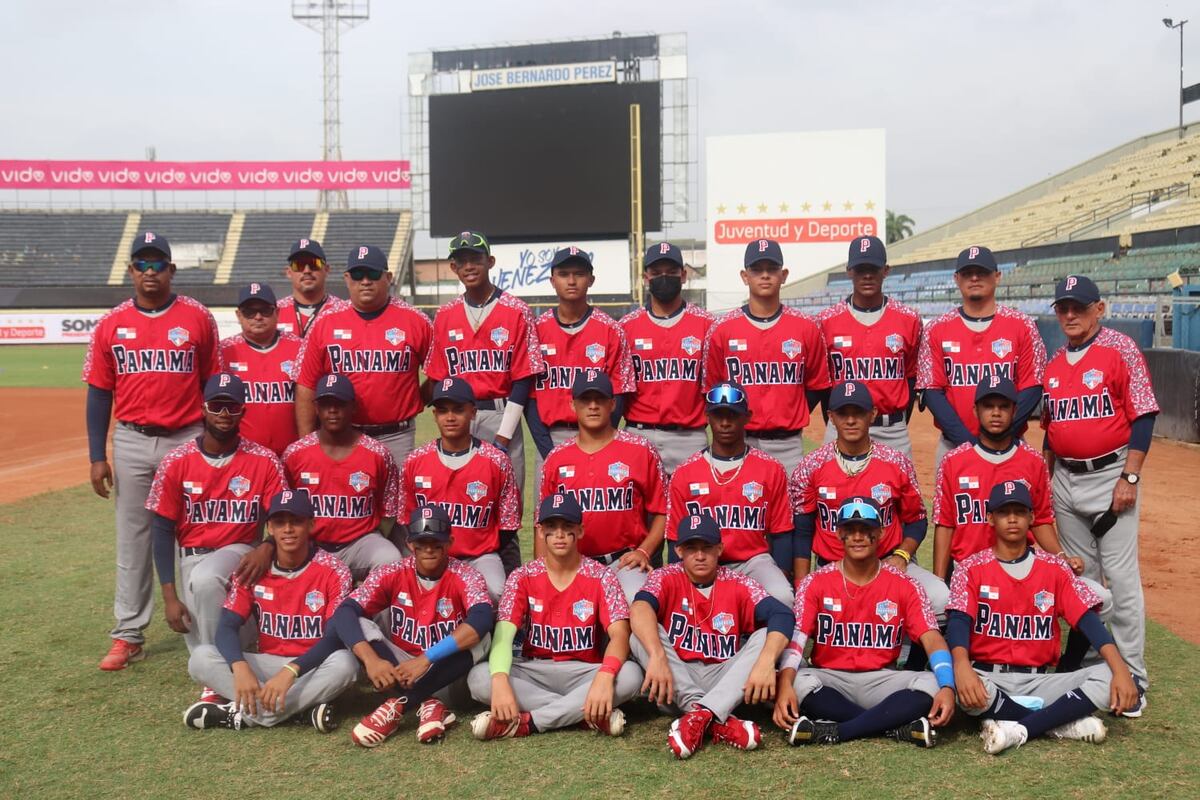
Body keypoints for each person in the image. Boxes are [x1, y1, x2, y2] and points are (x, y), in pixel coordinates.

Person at [84, 230, 220, 670]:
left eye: (157, 263)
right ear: (130, 271)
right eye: (141, 264)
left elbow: (212, 385)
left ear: (171, 270)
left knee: (194, 535)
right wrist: (96, 454)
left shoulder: (197, 317)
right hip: (131, 439)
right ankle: (128, 633)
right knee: (134, 538)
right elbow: (100, 393)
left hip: (186, 437)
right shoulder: (111, 323)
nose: (149, 271)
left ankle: (202, 628)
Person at [948, 480, 1140, 754]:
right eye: (1004, 512)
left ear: (1031, 517)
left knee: (1110, 672)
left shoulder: (1054, 569)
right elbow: (958, 623)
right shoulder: (970, 567)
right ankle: (1057, 722)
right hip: (987, 678)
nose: (1012, 519)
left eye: (1019, 511)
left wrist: (1121, 669)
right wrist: (962, 666)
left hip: (1039, 681)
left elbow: (1088, 621)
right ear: (990, 518)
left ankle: (1016, 725)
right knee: (950, 678)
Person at [1041, 274, 1158, 705]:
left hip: (1111, 475)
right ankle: (1096, 669)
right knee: (1083, 583)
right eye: (1063, 307)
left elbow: (1143, 415)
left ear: (1099, 309)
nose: (1070, 314)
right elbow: (1051, 430)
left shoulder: (1119, 349)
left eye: (1079, 306)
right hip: (1065, 480)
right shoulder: (1054, 363)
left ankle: (1135, 679)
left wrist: (1130, 477)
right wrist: (1046, 476)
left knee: (1122, 583)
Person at [774, 497, 957, 748]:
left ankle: (838, 730)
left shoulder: (905, 584)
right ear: (839, 533)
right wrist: (784, 685)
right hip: (831, 678)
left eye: (866, 530)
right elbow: (797, 641)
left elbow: (933, 639)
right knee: (793, 680)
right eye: (850, 530)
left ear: (880, 532)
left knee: (934, 682)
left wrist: (947, 685)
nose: (858, 537)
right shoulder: (816, 582)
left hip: (883, 680)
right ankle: (895, 726)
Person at [467, 493, 644, 739]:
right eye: (552, 527)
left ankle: (529, 723)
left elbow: (620, 635)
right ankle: (586, 715)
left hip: (584, 672)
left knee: (630, 676)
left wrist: (604, 676)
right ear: (540, 531)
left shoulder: (601, 575)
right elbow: (504, 635)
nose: (559, 534)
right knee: (479, 678)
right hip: (534, 670)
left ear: (580, 531)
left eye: (567, 527)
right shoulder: (522, 576)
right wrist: (498, 679)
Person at [184, 488, 357, 731]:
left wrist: (290, 672)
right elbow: (226, 626)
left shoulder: (334, 570)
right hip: (267, 664)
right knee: (201, 658)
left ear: (311, 525)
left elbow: (334, 637)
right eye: (280, 522)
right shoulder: (254, 569)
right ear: (270, 528)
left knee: (346, 663)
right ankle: (300, 711)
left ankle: (247, 715)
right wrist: (239, 666)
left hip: (310, 666)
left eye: (296, 522)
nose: (288, 529)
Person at [146, 374, 287, 666]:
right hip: (192, 560)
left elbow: (283, 517)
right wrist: (170, 597)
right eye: (217, 406)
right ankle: (228, 668)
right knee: (201, 653)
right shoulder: (176, 461)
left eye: (232, 407)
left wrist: (268, 545)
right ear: (203, 408)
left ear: (243, 411)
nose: (224, 414)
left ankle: (222, 675)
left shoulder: (263, 459)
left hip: (242, 553)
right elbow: (161, 530)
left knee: (208, 581)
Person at [423, 231, 543, 572]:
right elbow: (438, 376)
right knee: (460, 503)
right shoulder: (445, 315)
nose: (469, 266)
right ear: (453, 267)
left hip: (500, 413)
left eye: (476, 259)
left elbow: (523, 376)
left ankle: (508, 595)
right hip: (458, 416)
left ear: (489, 262)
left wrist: (504, 435)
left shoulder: (516, 309)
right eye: (461, 261)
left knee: (505, 511)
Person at [630, 514, 794, 759]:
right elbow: (640, 607)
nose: (699, 555)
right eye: (691, 549)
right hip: (677, 678)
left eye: (707, 547)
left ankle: (700, 716)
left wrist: (766, 662)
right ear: (679, 550)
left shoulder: (738, 582)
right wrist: (656, 656)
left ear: (719, 549)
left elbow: (782, 615)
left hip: (724, 677)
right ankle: (717, 716)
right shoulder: (665, 576)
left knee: (763, 637)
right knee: (640, 634)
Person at [331, 505, 495, 747]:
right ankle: (429, 706)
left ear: (449, 542)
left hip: (446, 673)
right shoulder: (392, 572)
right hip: (401, 672)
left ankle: (400, 704)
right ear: (410, 544)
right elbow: (344, 612)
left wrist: (425, 659)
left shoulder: (466, 575)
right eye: (422, 542)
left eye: (435, 542)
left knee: (484, 636)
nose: (428, 549)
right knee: (359, 622)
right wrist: (372, 661)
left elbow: (482, 620)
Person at [789, 381, 948, 623]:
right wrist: (802, 585)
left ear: (872, 414)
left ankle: (916, 661)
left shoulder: (896, 462)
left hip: (886, 564)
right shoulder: (811, 466)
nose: (851, 420)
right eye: (843, 414)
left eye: (858, 413)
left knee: (941, 598)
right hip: (832, 569)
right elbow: (802, 532)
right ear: (831, 417)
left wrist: (902, 556)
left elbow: (917, 520)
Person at [293, 244, 432, 469]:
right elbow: (306, 384)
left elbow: (439, 372)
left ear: (388, 277)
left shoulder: (416, 321)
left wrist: (416, 399)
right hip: (342, 435)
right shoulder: (325, 322)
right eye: (358, 274)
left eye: (373, 274)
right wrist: (307, 442)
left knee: (396, 503)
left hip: (396, 435)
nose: (365, 281)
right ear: (347, 278)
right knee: (346, 503)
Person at [703, 238, 831, 476]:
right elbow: (711, 389)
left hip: (788, 444)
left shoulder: (806, 327)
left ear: (783, 275)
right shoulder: (722, 329)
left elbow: (817, 386)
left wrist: (789, 407)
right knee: (741, 512)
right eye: (757, 270)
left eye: (771, 269)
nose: (765, 275)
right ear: (744, 276)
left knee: (789, 512)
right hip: (739, 442)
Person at [538, 370, 667, 600]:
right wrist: (542, 569)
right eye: (586, 400)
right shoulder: (556, 458)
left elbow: (663, 511)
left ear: (613, 404)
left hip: (624, 562)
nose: (593, 406)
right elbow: (541, 525)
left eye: (600, 400)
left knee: (638, 600)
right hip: (572, 561)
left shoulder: (641, 449)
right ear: (573, 405)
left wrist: (644, 551)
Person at [933, 376, 1075, 580]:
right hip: (966, 573)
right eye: (988, 406)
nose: (996, 413)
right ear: (976, 411)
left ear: (1014, 411)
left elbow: (1041, 520)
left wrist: (1062, 557)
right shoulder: (953, 462)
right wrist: (939, 581)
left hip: (1018, 571)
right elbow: (945, 524)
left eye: (1003, 406)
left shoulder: (1033, 461)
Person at [666, 381, 794, 605]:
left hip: (753, 562)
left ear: (747, 416)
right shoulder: (685, 472)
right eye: (718, 415)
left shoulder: (771, 468)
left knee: (782, 596)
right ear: (707, 416)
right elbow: (674, 538)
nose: (725, 423)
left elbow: (782, 532)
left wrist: (782, 573)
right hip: (701, 561)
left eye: (733, 415)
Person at [917, 245, 1045, 464]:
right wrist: (968, 443)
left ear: (997, 276)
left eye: (982, 272)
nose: (974, 278)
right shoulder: (937, 329)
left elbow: (1032, 386)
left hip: (1010, 445)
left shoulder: (1022, 325)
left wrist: (999, 437)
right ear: (957, 278)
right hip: (953, 445)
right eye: (967, 273)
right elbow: (932, 391)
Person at [399, 377, 520, 601]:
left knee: (495, 591)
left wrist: (480, 545)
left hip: (479, 557)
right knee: (401, 592)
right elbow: (407, 518)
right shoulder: (416, 460)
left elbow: (508, 525)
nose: (451, 417)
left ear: (473, 412)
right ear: (435, 415)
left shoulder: (496, 461)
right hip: (429, 555)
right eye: (443, 411)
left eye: (458, 410)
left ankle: (496, 637)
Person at [527, 246, 635, 481]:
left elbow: (619, 392)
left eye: (579, 274)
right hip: (551, 438)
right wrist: (548, 451)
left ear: (591, 280)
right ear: (552, 280)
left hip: (598, 439)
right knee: (549, 515)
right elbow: (530, 398)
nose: (572, 280)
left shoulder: (611, 330)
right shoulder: (536, 330)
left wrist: (601, 439)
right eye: (564, 274)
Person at [282, 374, 400, 580]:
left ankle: (373, 610)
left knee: (389, 558)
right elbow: (284, 509)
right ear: (316, 408)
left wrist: (371, 534)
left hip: (359, 543)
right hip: (310, 545)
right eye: (326, 404)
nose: (333, 411)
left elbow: (388, 511)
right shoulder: (295, 453)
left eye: (340, 404)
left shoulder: (377, 454)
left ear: (353, 407)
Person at [816, 235, 922, 459]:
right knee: (836, 493)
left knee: (897, 494)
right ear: (849, 271)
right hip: (842, 427)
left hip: (892, 430)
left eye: (873, 268)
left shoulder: (909, 319)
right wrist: (837, 421)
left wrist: (897, 420)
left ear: (885, 270)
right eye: (860, 268)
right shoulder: (826, 321)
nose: (867, 275)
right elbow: (825, 384)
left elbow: (911, 378)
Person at [620, 241, 715, 472]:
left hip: (690, 437)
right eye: (656, 273)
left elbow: (715, 385)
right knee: (637, 508)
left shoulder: (707, 325)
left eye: (671, 272)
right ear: (646, 277)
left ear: (683, 275)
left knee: (691, 507)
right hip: (639, 434)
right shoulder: (625, 327)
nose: (664, 277)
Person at [219, 282, 301, 455]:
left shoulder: (300, 347)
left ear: (277, 313)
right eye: (249, 312)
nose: (258, 317)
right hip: (242, 455)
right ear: (239, 315)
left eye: (265, 310)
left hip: (292, 451)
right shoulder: (223, 351)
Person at [277, 238, 346, 337]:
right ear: (288, 272)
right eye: (299, 265)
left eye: (314, 264)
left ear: (326, 270)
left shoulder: (343, 311)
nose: (307, 270)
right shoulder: (274, 312)